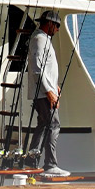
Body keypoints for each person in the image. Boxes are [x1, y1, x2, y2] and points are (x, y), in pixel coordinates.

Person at [27, 10, 67, 176]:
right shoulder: (39, 39)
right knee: (53, 125)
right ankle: (50, 165)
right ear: (49, 24)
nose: (57, 29)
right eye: (56, 26)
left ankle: (31, 161)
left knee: (43, 125)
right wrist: (49, 91)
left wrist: (54, 85)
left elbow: (46, 68)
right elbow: (37, 70)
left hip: (46, 91)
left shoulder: (43, 39)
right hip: (44, 94)